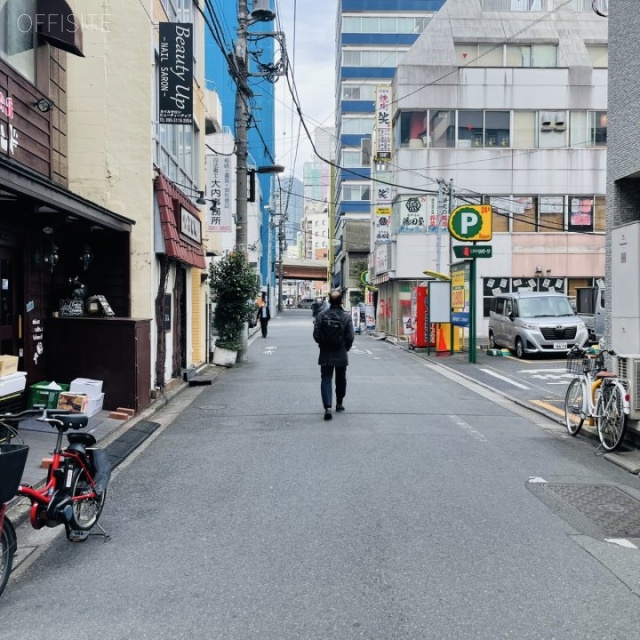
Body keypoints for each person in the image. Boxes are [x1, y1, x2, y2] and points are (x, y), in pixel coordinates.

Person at [313, 289, 355, 421]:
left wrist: (322, 344)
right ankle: (339, 403)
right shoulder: (346, 317)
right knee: (341, 378)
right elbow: (350, 336)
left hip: (325, 352)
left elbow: (316, 334)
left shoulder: (321, 315)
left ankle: (327, 407)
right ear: (342, 301)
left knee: (326, 379)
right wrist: (345, 348)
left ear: (329, 301)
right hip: (341, 352)